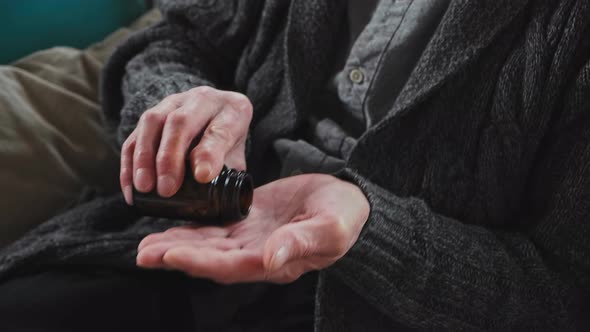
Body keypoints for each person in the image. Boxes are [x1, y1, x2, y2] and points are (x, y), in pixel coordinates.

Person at [1, 0, 590, 331]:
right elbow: (172, 39)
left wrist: (368, 227)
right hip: (180, 239)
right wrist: (181, 101)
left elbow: (565, 295)